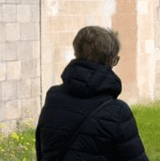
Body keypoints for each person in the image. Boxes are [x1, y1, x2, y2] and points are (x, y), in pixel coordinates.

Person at [35, 25, 148, 161]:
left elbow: (42, 153)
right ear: (111, 60)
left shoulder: (52, 98)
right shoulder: (117, 112)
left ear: (77, 53)